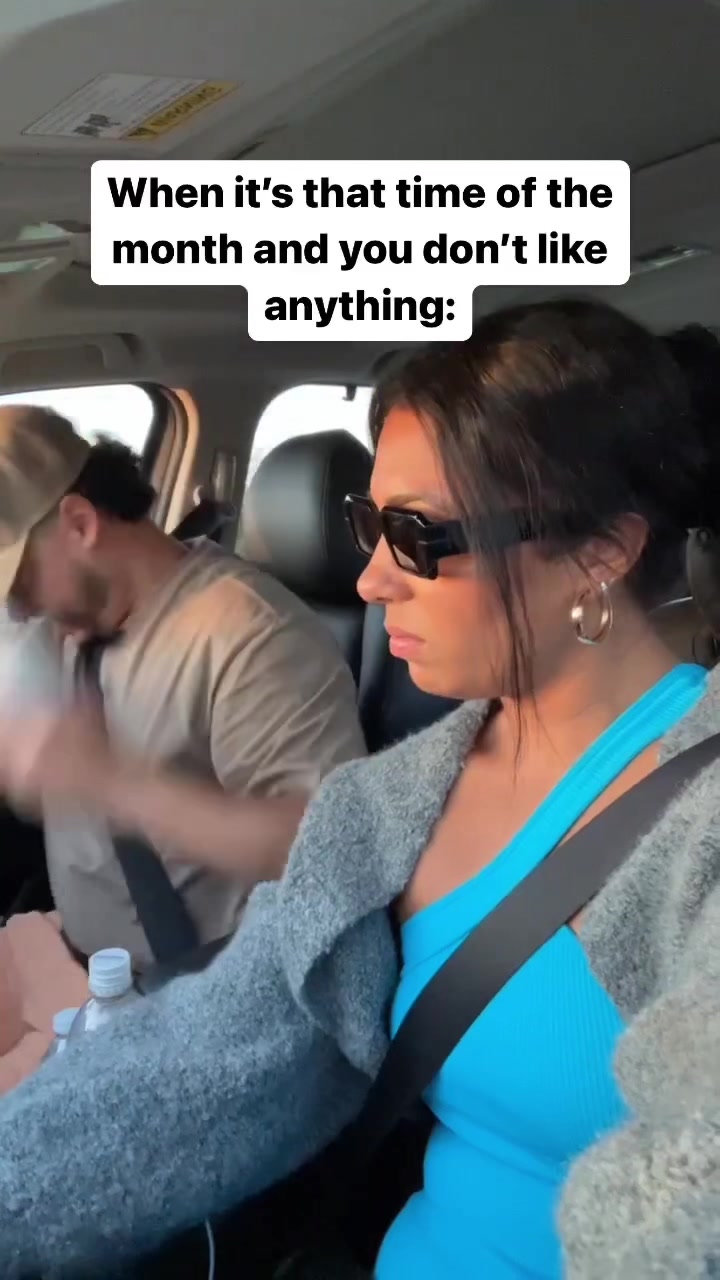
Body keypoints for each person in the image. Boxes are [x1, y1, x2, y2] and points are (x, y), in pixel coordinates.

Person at [0, 300, 718, 1280]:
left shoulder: (701, 826)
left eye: (416, 534)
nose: (373, 579)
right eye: (368, 524)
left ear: (601, 551)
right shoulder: (381, 809)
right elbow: (206, 1065)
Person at [0, 407, 366, 968]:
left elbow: (328, 850)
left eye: (20, 583)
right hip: (68, 962)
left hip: (191, 987)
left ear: (80, 524)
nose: (18, 609)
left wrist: (110, 782)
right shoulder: (62, 628)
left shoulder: (253, 636)